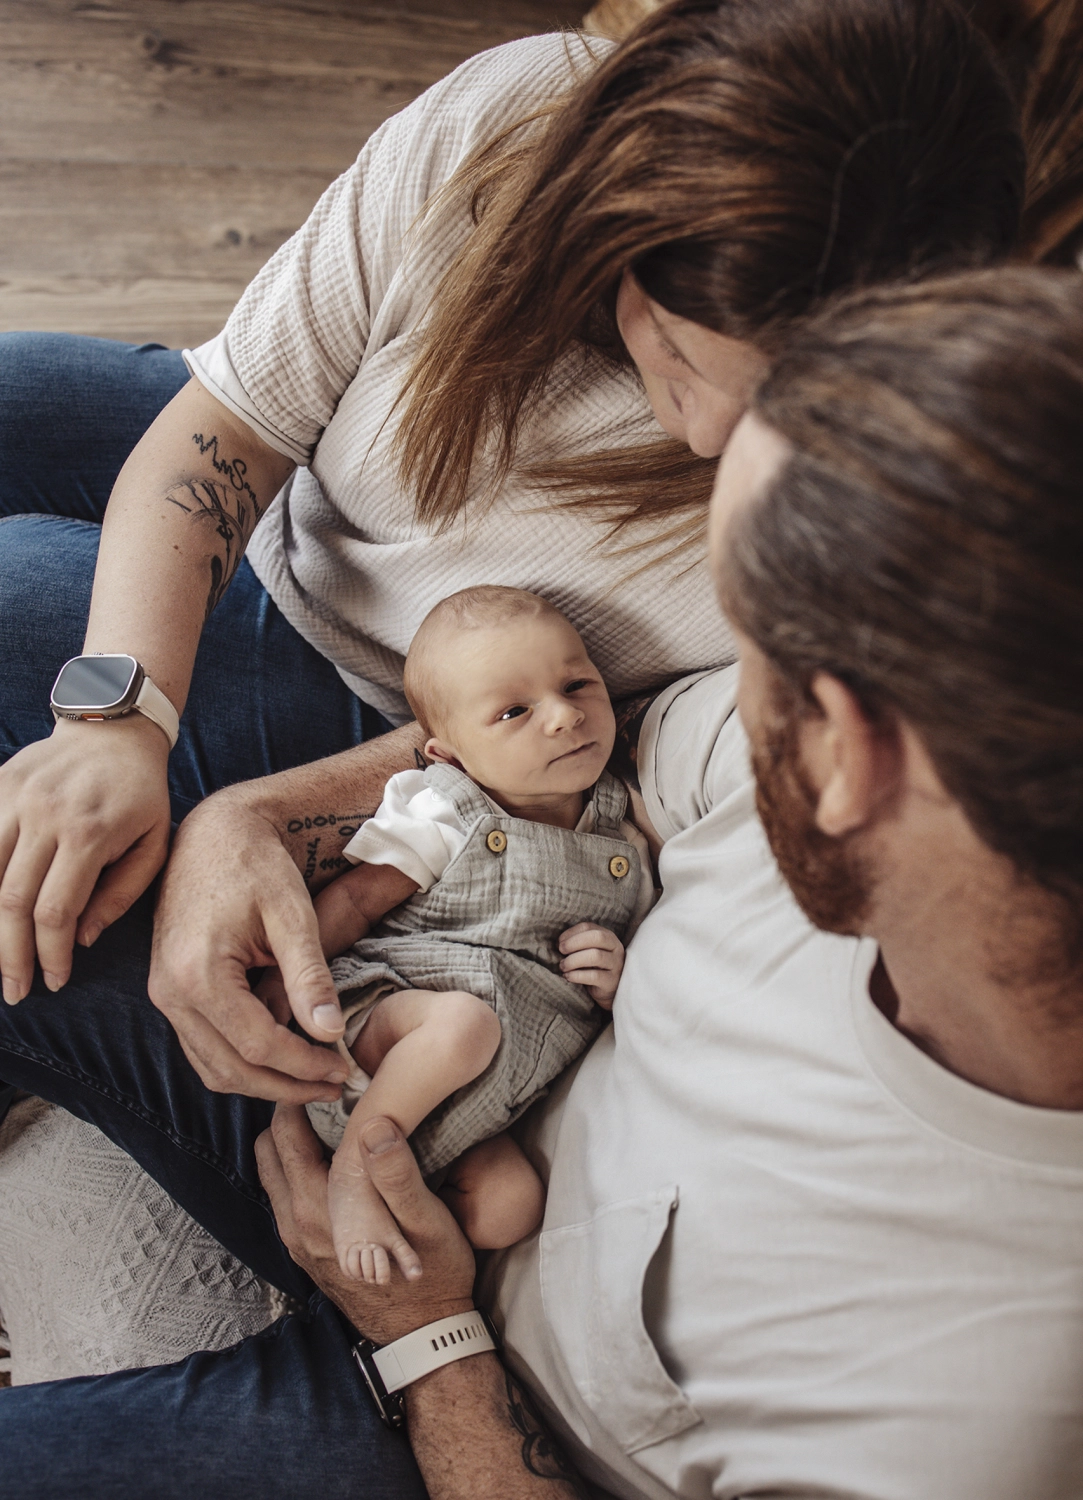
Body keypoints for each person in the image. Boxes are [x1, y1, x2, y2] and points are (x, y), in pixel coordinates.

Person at [6, 263, 1083, 1499]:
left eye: (747, 636)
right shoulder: (791, 752)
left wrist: (426, 1337)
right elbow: (578, 750)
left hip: (474, 1414)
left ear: (850, 750)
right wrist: (253, 819)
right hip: (370, 1052)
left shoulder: (984, 1429)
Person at [0, 0, 1022, 1114]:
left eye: (783, 397)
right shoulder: (517, 119)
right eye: (679, 358)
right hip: (304, 489)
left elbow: (587, 748)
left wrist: (244, 810)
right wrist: (114, 721)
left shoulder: (881, 484)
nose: (708, 439)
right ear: (609, 233)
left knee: (16, 583)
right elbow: (234, 428)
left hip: (408, 715)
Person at [283, 586, 651, 1282]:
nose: (566, 716)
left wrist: (610, 972)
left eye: (577, 684)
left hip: (473, 1103)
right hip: (391, 1024)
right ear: (448, 756)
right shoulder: (446, 814)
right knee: (460, 1026)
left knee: (510, 1209)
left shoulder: (620, 834)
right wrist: (286, 991)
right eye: (515, 711)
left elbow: (628, 958)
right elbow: (358, 900)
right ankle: (353, 1177)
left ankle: (390, 1201)